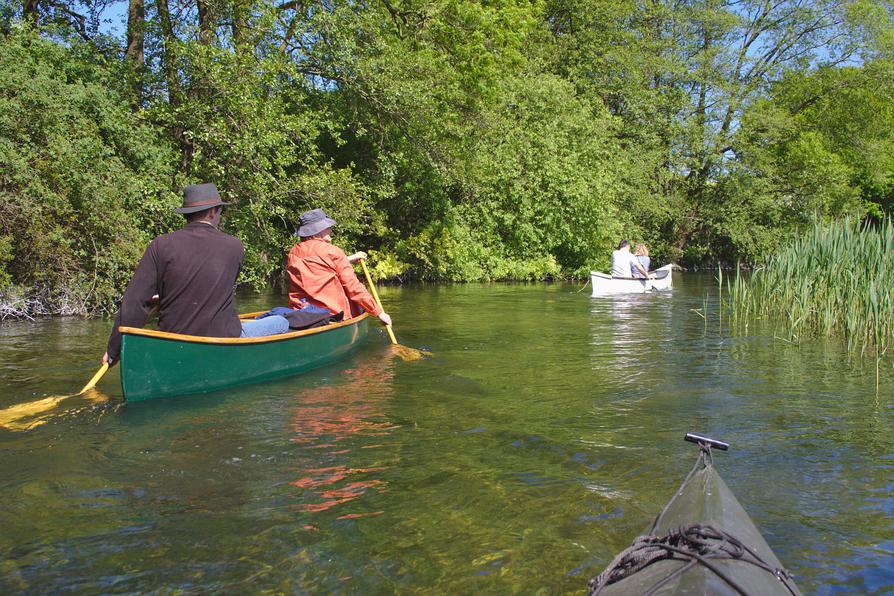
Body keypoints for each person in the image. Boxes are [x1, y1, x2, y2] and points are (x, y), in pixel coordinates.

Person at [102, 183, 288, 366]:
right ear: (212, 212)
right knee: (281, 322)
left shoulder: (160, 245)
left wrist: (114, 349)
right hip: (222, 337)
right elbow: (213, 285)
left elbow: (134, 302)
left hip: (172, 341)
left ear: (187, 214)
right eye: (220, 212)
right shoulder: (234, 246)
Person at [286, 208, 392, 328]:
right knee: (357, 304)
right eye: (326, 227)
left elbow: (318, 265)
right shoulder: (332, 251)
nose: (330, 229)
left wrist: (349, 259)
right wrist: (379, 312)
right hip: (332, 315)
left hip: (300, 313)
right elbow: (354, 288)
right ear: (316, 232)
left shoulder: (293, 253)